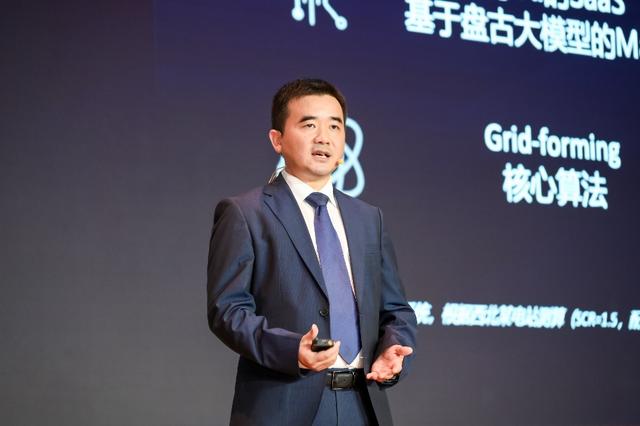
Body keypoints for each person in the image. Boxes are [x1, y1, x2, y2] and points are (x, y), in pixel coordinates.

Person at [207, 78, 417, 426]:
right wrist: (292, 351)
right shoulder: (245, 213)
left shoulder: (369, 218)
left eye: (335, 126)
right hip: (282, 405)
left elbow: (396, 309)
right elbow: (227, 311)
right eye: (309, 125)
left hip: (362, 404)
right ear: (277, 139)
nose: (324, 137)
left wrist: (393, 349)